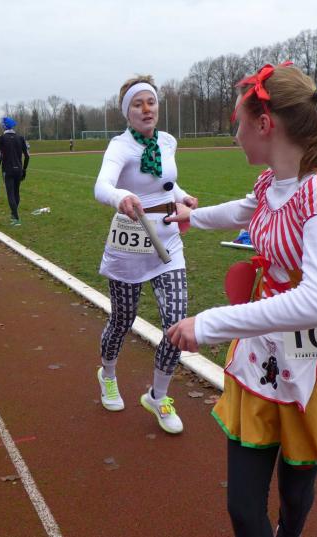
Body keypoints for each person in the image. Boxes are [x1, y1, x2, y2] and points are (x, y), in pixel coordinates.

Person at [165, 63, 317, 537]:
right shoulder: (273, 180)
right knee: (244, 508)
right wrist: (193, 217)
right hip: (263, 354)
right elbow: (249, 209)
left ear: (265, 124)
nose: (235, 135)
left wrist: (208, 324)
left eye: (239, 123)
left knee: (294, 491)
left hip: (314, 364)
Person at [93, 75, 198, 434]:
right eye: (137, 104)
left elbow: (166, 182)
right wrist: (120, 196)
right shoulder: (120, 147)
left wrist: (183, 196)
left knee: (177, 323)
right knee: (123, 320)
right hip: (130, 246)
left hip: (168, 242)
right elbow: (101, 185)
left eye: (150, 102)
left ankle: (159, 395)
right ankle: (108, 374)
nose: (146, 109)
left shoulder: (167, 141)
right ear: (127, 112)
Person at [0, 117, 30, 225]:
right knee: (16, 192)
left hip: (7, 169)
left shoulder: (1, 139)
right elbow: (27, 156)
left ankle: (16, 218)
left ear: (4, 126)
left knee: (10, 193)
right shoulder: (20, 138)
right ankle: (14, 215)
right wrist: (24, 169)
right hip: (18, 169)